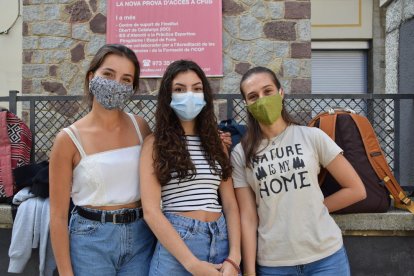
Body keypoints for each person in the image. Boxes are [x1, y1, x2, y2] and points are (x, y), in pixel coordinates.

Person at [231, 66, 367, 276]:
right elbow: (247, 217)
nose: (262, 99)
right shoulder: (241, 154)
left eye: (268, 91)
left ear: (281, 92)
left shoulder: (312, 137)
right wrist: (249, 271)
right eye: (253, 96)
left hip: (326, 258)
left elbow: (356, 189)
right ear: (247, 105)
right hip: (273, 264)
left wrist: (314, 208)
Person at [49, 44, 156, 276]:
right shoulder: (68, 139)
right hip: (90, 240)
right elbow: (57, 216)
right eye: (108, 74)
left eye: (126, 79)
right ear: (91, 76)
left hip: (141, 236)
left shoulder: (140, 127)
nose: (116, 83)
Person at [140, 60, 241, 276]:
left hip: (222, 242)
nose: (189, 95)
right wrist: (192, 264)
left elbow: (231, 205)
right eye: (179, 89)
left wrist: (234, 258)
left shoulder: (216, 142)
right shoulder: (154, 143)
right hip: (178, 246)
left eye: (196, 88)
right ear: (168, 96)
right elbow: (150, 211)